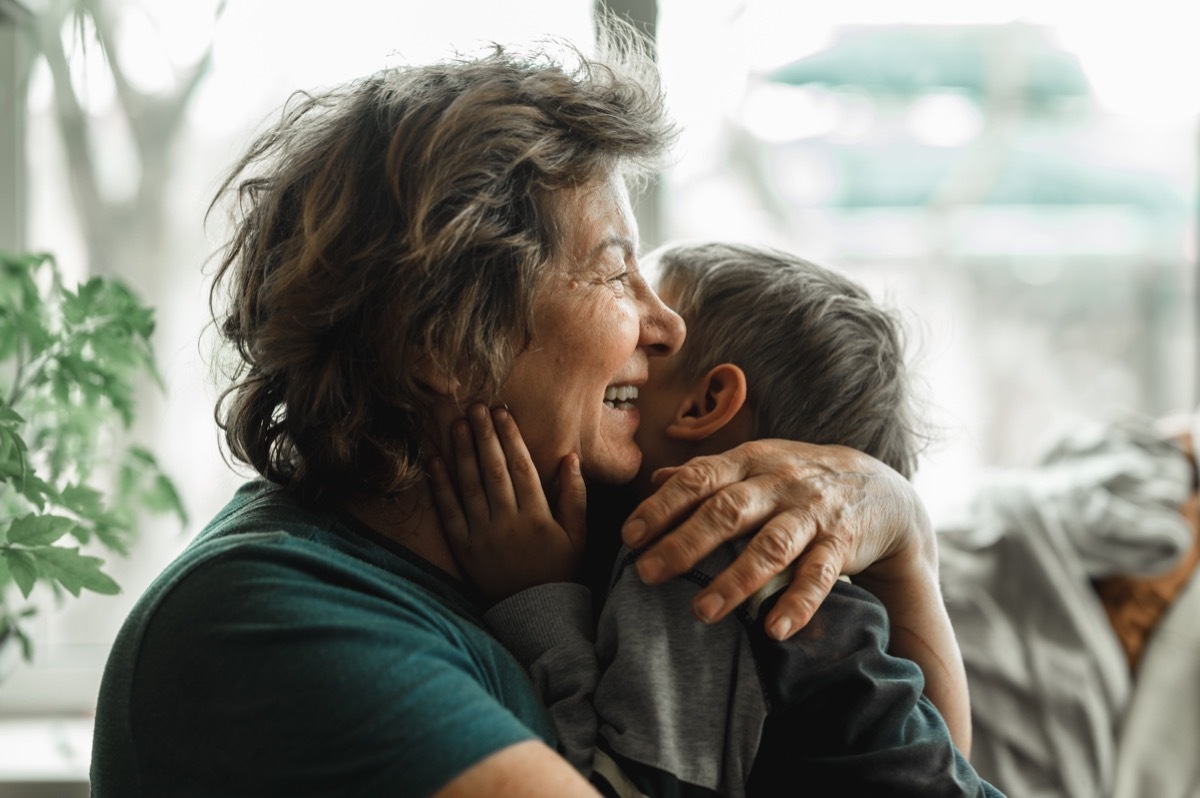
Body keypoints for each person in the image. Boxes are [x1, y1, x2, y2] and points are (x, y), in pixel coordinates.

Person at [89, 25, 962, 798]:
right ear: (443, 335)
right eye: (618, 269)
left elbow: (911, 764)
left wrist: (902, 536)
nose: (664, 324)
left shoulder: (582, 555)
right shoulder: (268, 625)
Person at [431, 242, 1002, 796]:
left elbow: (614, 787)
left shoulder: (706, 561)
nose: (645, 329)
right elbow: (941, 756)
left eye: (653, 306)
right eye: (616, 286)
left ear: (704, 404)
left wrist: (539, 599)